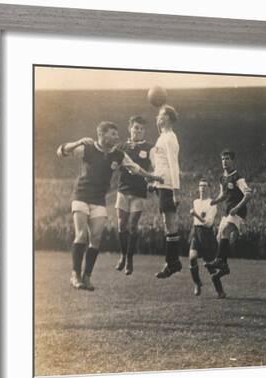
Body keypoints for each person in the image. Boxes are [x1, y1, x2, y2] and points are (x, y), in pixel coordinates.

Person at [56, 121, 161, 290]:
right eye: (113, 134)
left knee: (96, 238)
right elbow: (61, 151)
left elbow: (136, 169)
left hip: (98, 200)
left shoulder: (118, 155)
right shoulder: (88, 148)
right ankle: (75, 275)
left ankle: (87, 276)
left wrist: (152, 177)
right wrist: (78, 141)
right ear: (102, 134)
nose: (117, 137)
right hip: (81, 196)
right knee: (82, 234)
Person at [205, 150, 253, 298]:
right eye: (223, 159)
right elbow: (223, 194)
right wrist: (214, 201)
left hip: (237, 212)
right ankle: (223, 267)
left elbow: (248, 194)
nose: (225, 161)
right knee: (220, 239)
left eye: (227, 159)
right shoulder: (222, 178)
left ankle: (220, 261)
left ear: (233, 161)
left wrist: (237, 207)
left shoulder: (238, 177)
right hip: (227, 212)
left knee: (226, 231)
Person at [114, 116, 154, 276]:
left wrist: (152, 181)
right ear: (130, 128)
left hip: (138, 192)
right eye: (135, 127)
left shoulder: (150, 148)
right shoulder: (121, 146)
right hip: (123, 190)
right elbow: (113, 162)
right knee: (121, 225)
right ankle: (123, 255)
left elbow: (154, 167)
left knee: (132, 225)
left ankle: (129, 259)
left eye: (141, 128)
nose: (138, 131)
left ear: (144, 131)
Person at [150, 105, 183, 279]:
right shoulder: (162, 137)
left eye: (161, 115)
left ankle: (172, 263)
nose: (158, 117)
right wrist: (154, 182)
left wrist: (176, 191)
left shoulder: (170, 138)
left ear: (168, 118)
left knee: (170, 222)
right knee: (166, 222)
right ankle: (173, 262)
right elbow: (160, 165)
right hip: (161, 185)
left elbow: (173, 164)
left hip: (169, 186)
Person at [188, 179, 218, 296]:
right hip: (196, 232)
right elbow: (196, 221)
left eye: (205, 186)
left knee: (209, 264)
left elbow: (209, 223)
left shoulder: (212, 203)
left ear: (209, 188)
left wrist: (195, 215)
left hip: (207, 234)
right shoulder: (195, 202)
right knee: (192, 257)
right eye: (200, 185)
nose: (202, 188)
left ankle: (219, 290)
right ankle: (197, 283)